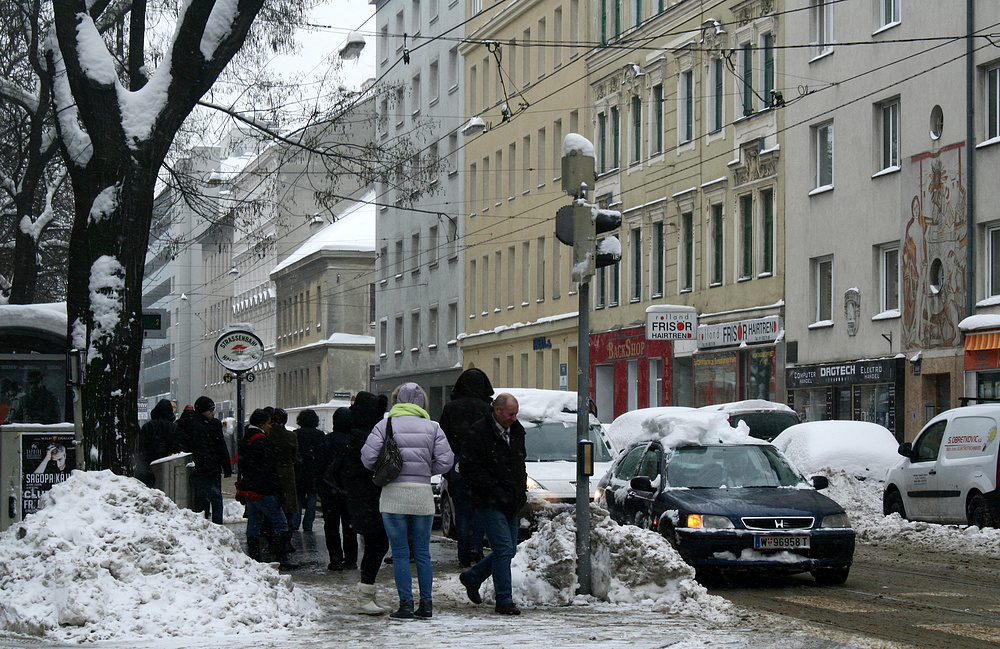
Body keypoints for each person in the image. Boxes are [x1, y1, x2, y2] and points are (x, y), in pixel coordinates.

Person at [361, 383, 453, 620]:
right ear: (422, 401)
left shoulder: (385, 425)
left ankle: (406, 605)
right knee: (422, 552)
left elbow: (367, 457)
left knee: (400, 552)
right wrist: (424, 470)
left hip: (393, 494)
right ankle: (427, 604)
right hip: (422, 494)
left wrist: (387, 469)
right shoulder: (433, 427)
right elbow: (447, 461)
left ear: (396, 400)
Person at [458, 393, 527, 616]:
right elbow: (470, 468)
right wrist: (493, 490)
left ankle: (473, 577)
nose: (514, 418)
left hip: (512, 499)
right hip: (490, 500)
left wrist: (520, 491)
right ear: (497, 411)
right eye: (510, 414)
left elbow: (519, 464)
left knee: (508, 550)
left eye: (516, 414)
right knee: (504, 549)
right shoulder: (479, 433)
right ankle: (504, 600)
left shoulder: (516, 431)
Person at [438, 368, 493, 567]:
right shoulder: (487, 408)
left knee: (461, 511)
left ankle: (463, 553)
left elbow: (442, 440)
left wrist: (448, 468)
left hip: (457, 465)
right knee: (479, 509)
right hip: (481, 465)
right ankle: (476, 546)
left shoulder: (451, 408)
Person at [345, 392, 390, 615]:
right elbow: (368, 467)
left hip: (364, 497)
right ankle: (365, 597)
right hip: (367, 498)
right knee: (377, 544)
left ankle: (368, 594)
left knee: (376, 544)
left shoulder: (358, 432)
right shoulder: (362, 436)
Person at [237, 408, 296, 568]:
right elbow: (270, 469)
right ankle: (281, 559)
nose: (271, 426)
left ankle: (255, 559)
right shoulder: (263, 441)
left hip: (249, 489)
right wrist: (278, 491)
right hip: (263, 490)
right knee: (281, 523)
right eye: (269, 423)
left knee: (254, 524)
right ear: (261, 424)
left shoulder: (244, 440)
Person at [319, 406, 358, 571]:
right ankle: (351, 560)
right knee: (350, 525)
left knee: (331, 525)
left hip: (330, 489)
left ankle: (335, 559)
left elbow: (320, 465)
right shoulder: (355, 440)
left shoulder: (327, 440)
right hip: (349, 489)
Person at [183, 396, 231, 524]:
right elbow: (220, 446)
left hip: (204, 468)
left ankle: (208, 523)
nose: (212, 413)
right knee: (213, 499)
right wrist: (225, 466)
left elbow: (220, 446)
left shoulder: (195, 424)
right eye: (210, 410)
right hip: (207, 468)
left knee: (204, 499)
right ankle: (214, 523)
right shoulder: (205, 425)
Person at [291, 409, 326, 533]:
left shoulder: (296, 434)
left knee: (298, 497)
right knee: (312, 496)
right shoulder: (320, 435)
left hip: (299, 470)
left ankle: (295, 522)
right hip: (314, 470)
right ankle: (308, 524)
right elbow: (322, 454)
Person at [135, 399, 181, 487]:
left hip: (150, 466)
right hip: (168, 467)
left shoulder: (148, 427)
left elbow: (142, 447)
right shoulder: (174, 428)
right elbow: (178, 447)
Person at [268, 407, 299, 531]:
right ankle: (287, 528)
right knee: (288, 502)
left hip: (272, 471)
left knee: (273, 500)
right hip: (288, 471)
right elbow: (294, 454)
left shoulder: (268, 436)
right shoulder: (291, 436)